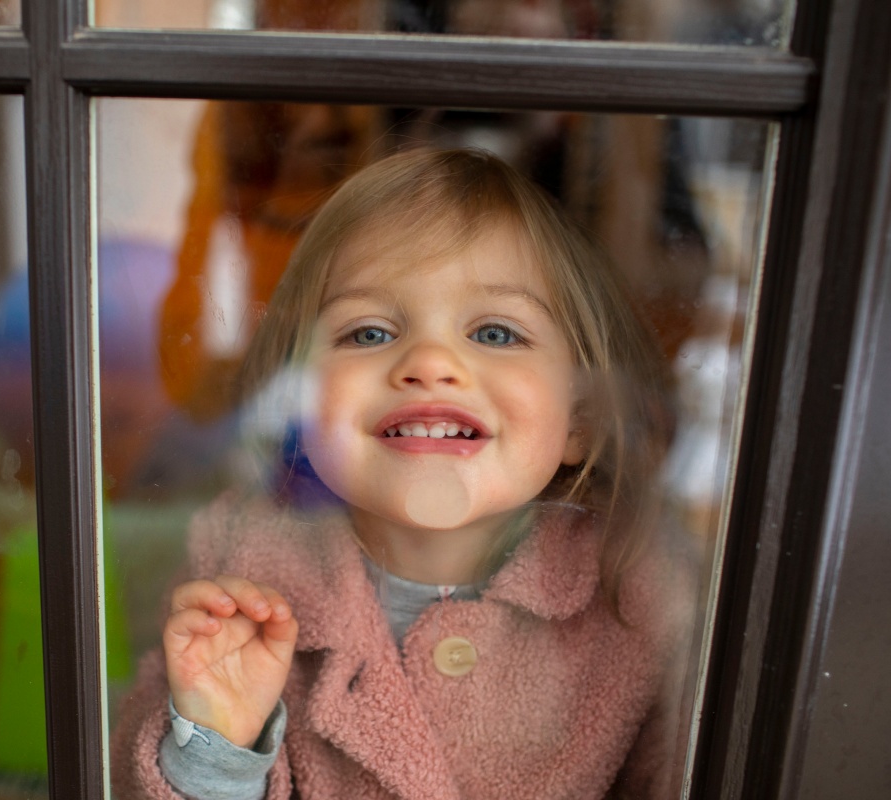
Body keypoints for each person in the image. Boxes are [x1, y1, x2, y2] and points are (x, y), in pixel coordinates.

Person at [112, 148, 694, 800]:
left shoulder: (638, 595)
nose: (430, 362)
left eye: (497, 333)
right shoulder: (239, 573)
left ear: (579, 419)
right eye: (368, 333)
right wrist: (218, 748)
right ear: (299, 396)